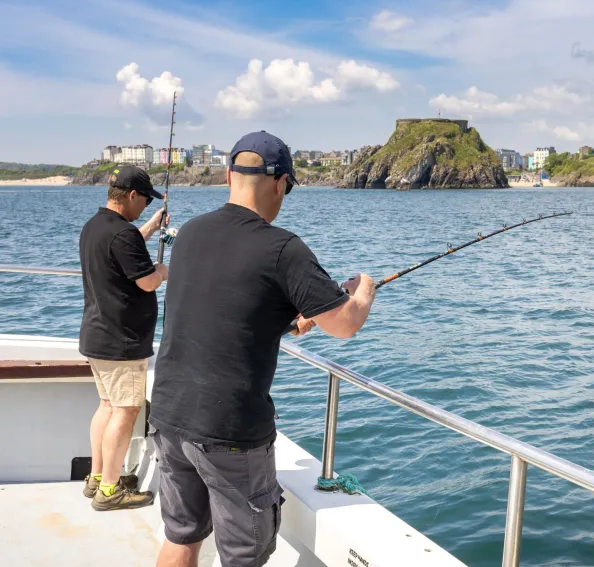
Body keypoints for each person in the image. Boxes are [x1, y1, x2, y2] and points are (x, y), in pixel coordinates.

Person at [150, 131, 376, 567]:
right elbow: (345, 324)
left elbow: (225, 307)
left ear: (228, 174)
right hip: (230, 430)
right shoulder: (283, 248)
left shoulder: (193, 233)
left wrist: (290, 320)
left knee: (180, 537)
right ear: (280, 184)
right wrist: (363, 290)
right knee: (243, 557)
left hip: (169, 414)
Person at [79, 165, 169, 511]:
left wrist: (149, 227)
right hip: (123, 342)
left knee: (106, 406)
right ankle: (111, 491)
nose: (145, 207)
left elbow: (124, 250)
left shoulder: (96, 227)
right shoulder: (123, 235)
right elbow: (146, 280)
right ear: (132, 195)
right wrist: (162, 271)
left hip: (97, 336)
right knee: (126, 410)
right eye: (145, 201)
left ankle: (98, 477)